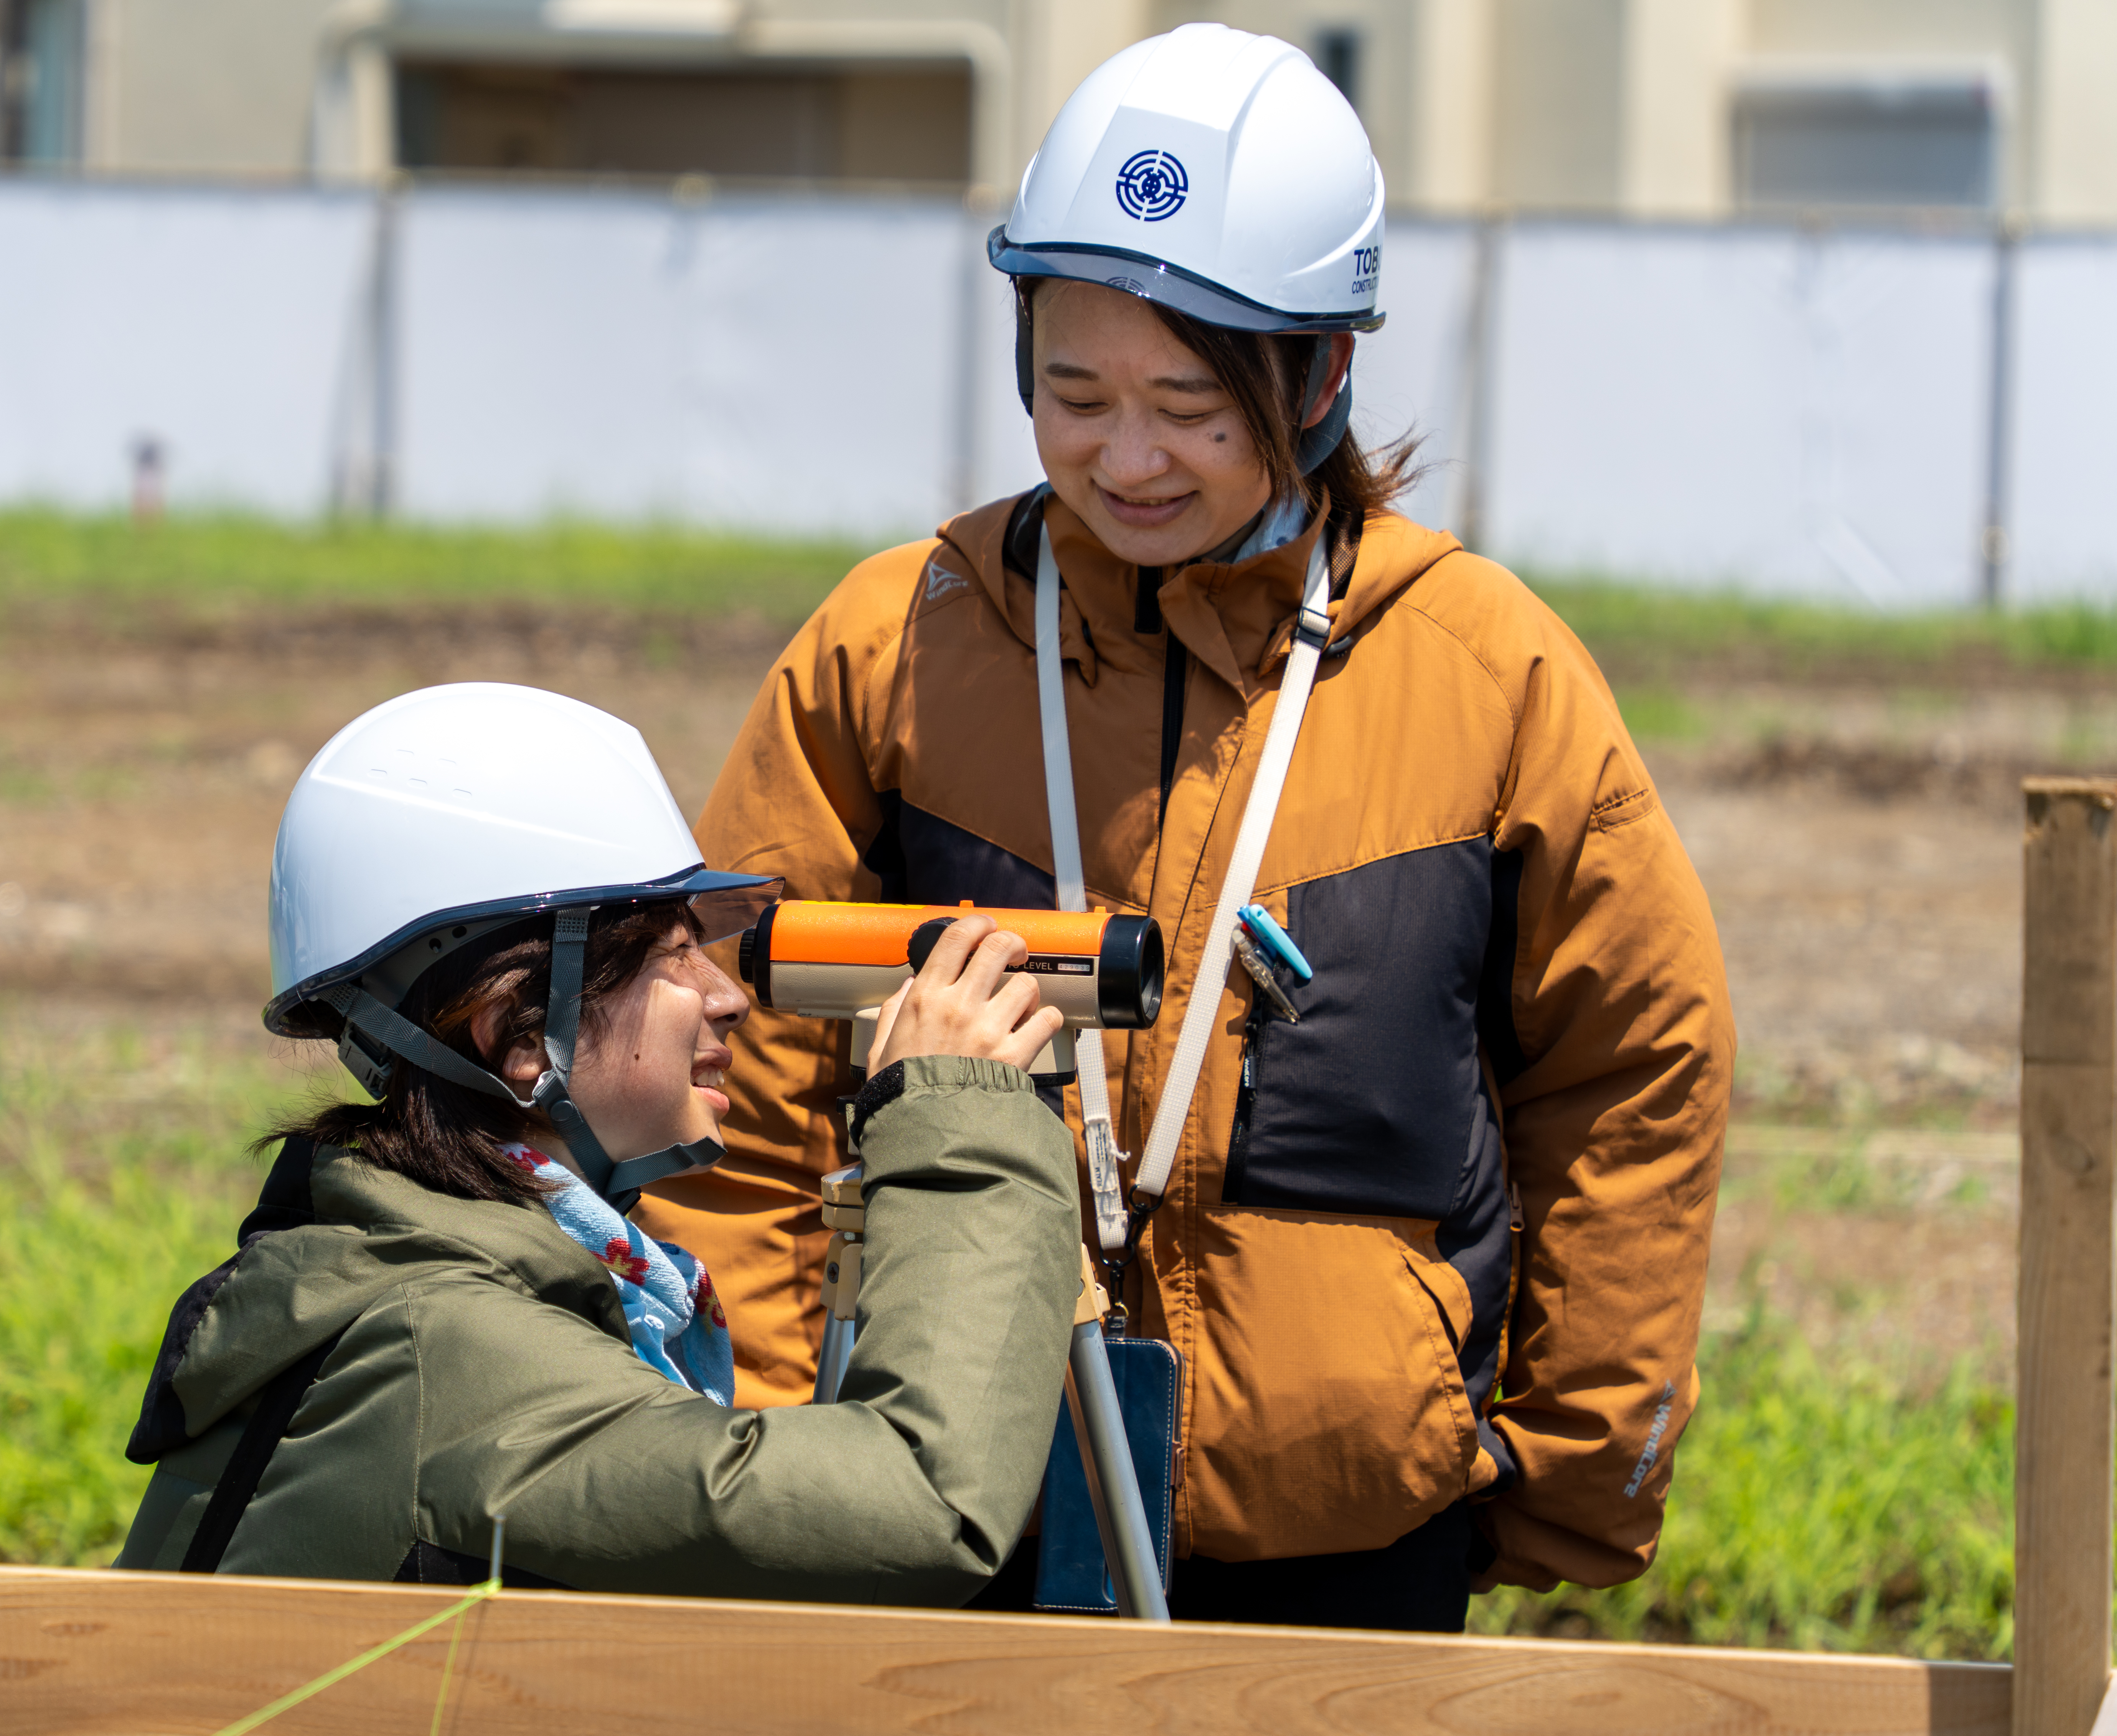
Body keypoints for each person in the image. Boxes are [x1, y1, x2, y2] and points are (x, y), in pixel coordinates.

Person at [638, 23, 1733, 1632]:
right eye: (1074, 394)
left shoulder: (1486, 670)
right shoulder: (895, 646)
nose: (1127, 457)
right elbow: (734, 1056)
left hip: (1354, 1538)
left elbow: (1632, 1062)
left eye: (1189, 405)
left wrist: (1561, 1465)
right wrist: (775, 1452)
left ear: (1320, 376)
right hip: (958, 1505)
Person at [101, 682, 1081, 1606]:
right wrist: (957, 1116)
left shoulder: (438, 1282)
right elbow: (923, 1506)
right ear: (520, 1034)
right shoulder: (447, 1350)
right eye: (674, 953)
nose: (729, 997)